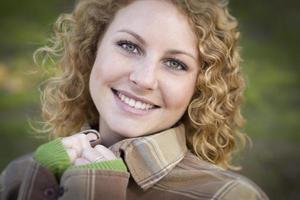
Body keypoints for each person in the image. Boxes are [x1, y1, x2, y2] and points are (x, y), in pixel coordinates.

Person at [0, 0, 269, 199]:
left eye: (175, 63)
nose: (144, 79)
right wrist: (34, 181)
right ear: (92, 49)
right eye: (129, 46)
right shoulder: (25, 173)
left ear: (199, 87)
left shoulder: (229, 196)